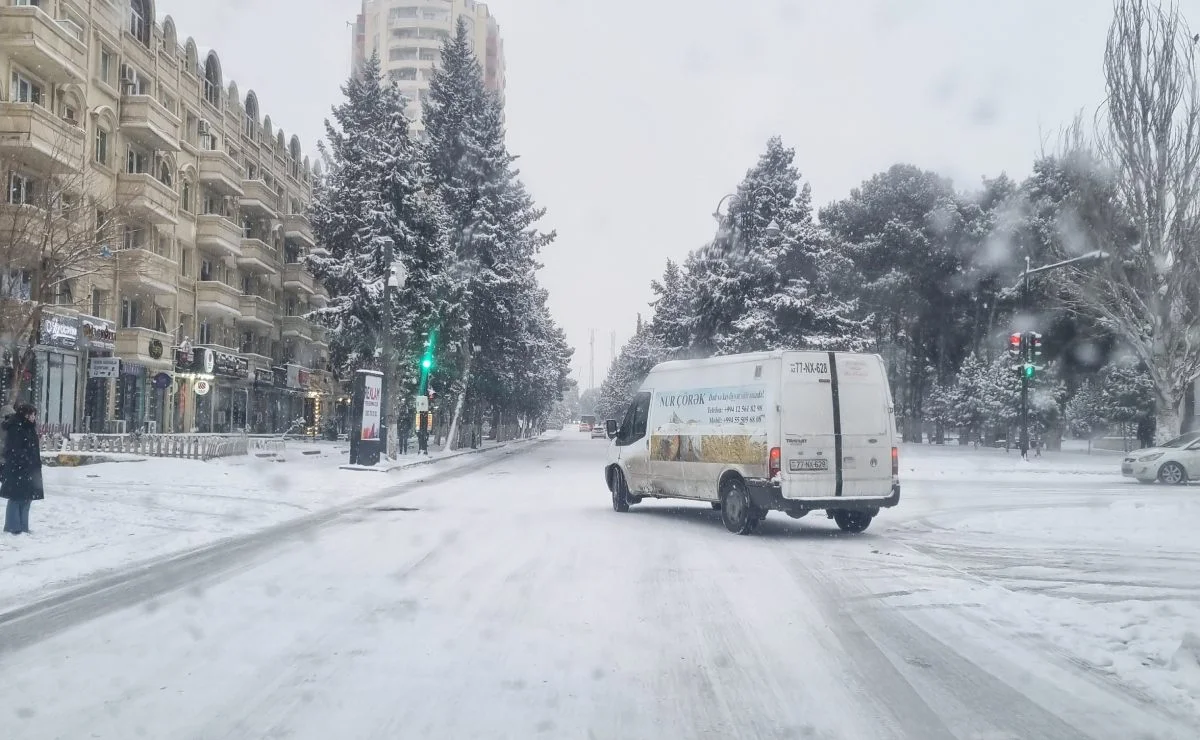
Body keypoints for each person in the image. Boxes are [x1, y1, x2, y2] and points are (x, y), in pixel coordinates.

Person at [2, 403, 44, 535]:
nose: (33, 417)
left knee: (27, 498)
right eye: (30, 414)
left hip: (29, 468)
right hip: (18, 468)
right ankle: (13, 527)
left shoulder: (29, 427)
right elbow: (14, 449)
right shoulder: (16, 427)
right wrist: (26, 460)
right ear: (23, 415)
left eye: (34, 414)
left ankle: (23, 527)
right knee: (17, 497)